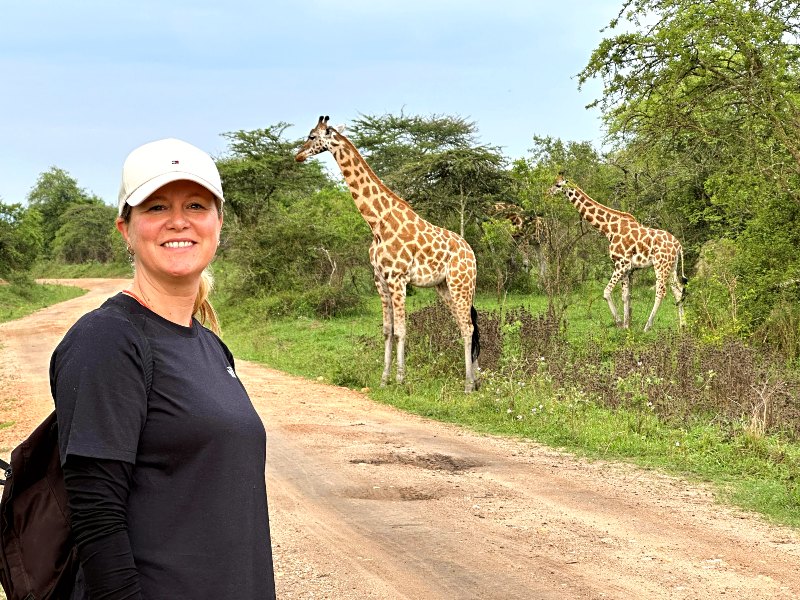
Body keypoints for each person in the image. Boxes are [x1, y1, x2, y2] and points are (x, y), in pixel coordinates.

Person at [50, 138, 276, 599]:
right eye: (155, 207)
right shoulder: (108, 340)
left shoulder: (210, 346)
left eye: (195, 204)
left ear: (217, 222)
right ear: (125, 229)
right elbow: (96, 517)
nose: (178, 221)